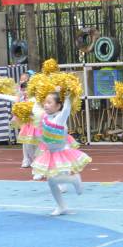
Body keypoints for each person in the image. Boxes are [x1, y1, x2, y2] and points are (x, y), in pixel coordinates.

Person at [33, 87, 92, 216]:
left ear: (58, 106)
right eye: (45, 102)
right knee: (51, 181)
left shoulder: (60, 118)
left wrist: (67, 95)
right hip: (50, 153)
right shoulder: (44, 117)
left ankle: (74, 179)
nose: (46, 104)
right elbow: (35, 108)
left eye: (49, 102)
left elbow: (66, 109)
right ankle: (62, 207)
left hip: (61, 153)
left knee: (53, 180)